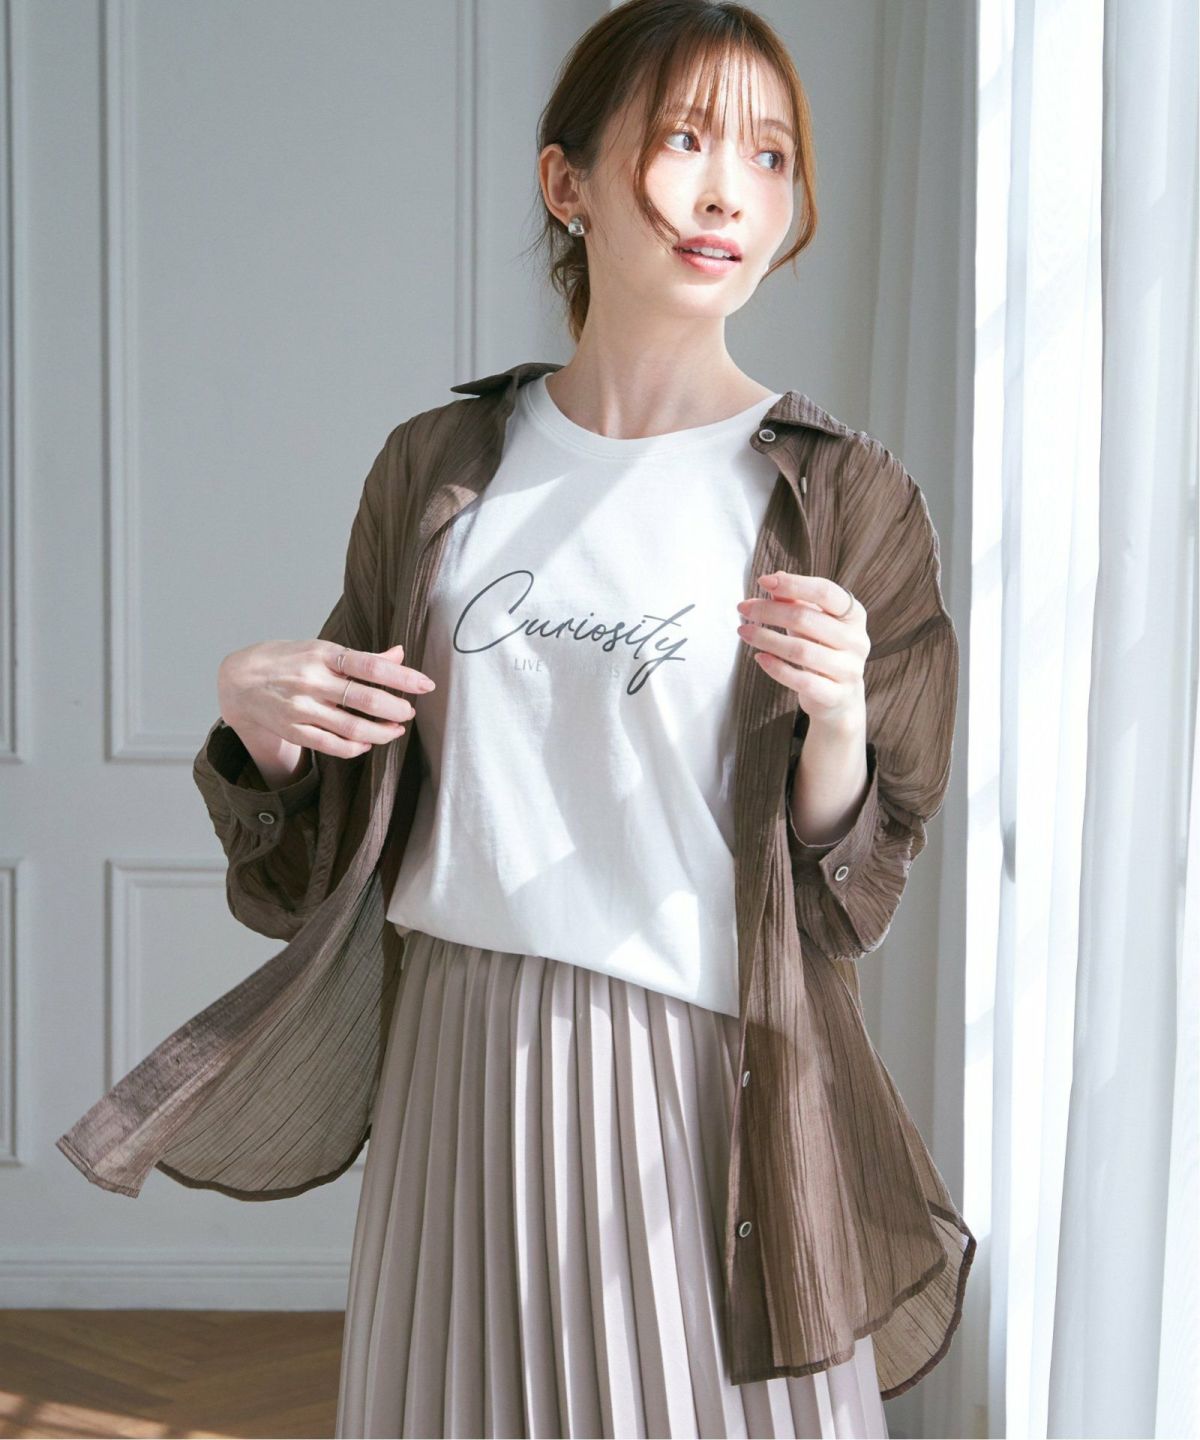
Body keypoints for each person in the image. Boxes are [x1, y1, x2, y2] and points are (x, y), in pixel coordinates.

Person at [56, 2, 974, 1436]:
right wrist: (264, 731)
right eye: (685, 141)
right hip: (461, 1056)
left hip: (706, 1071)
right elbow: (325, 852)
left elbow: (853, 887)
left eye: (771, 156)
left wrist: (843, 724)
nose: (731, 193)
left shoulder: (840, 495)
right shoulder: (442, 467)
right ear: (569, 182)